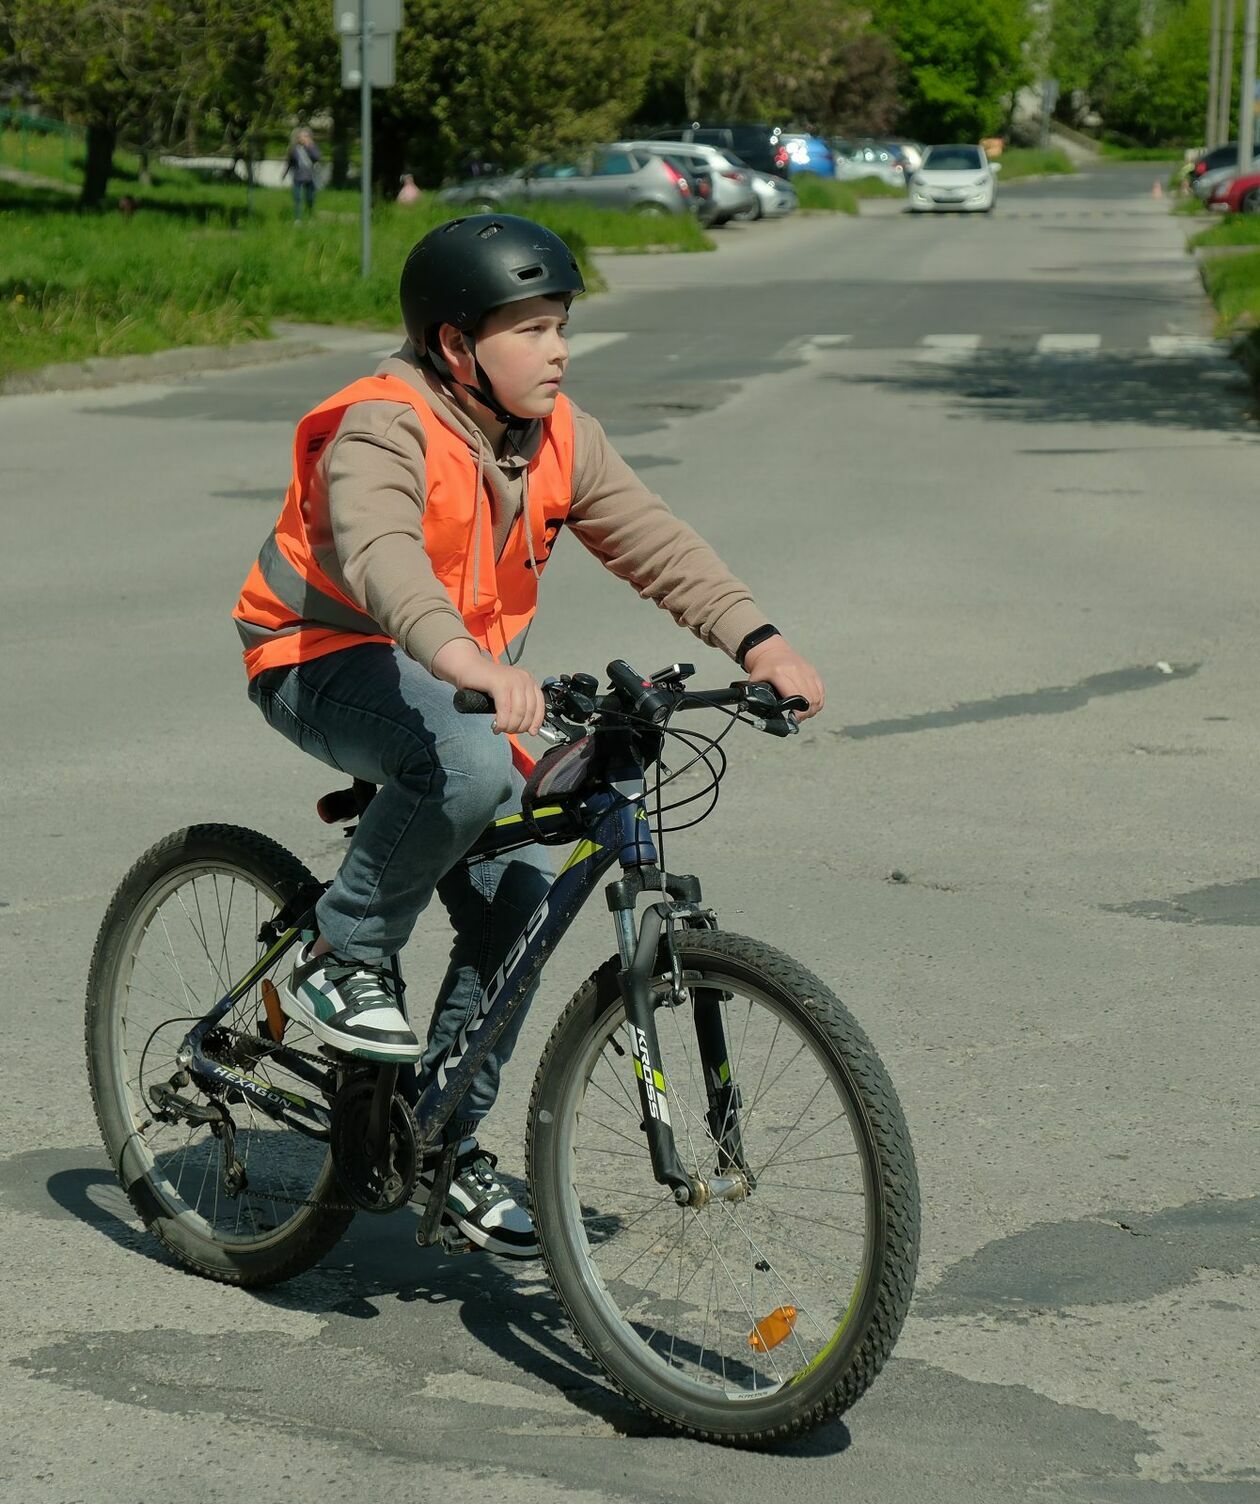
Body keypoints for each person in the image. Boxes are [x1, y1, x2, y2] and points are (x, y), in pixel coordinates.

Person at [232, 214, 824, 1257]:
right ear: (458, 346)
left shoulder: (555, 434)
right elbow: (380, 556)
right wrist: (463, 661)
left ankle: (442, 1141)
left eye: (563, 325)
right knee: (457, 767)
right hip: (318, 655)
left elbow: (651, 537)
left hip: (448, 668)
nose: (559, 349)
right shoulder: (379, 424)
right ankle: (344, 947)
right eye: (535, 328)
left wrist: (758, 637)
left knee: (527, 882)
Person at [283, 128, 321, 222]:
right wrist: (284, 173)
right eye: (300, 137)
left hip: (310, 177)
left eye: (304, 136)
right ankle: (298, 218)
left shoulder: (312, 147)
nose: (302, 138)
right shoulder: (294, 149)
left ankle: (310, 215)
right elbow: (290, 162)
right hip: (297, 177)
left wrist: (309, 146)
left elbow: (316, 157)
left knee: (310, 198)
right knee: (297, 198)